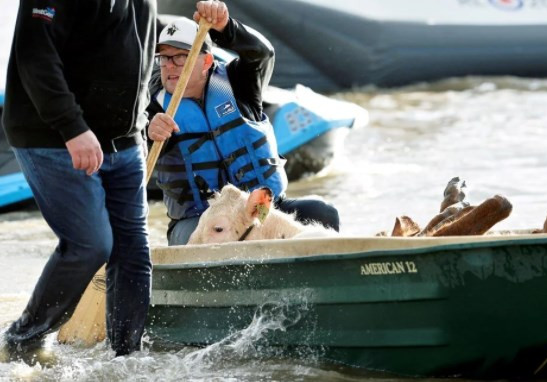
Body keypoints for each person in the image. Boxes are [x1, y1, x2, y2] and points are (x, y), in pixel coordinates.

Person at [1, 0, 157, 356]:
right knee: (90, 245)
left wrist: (139, 128)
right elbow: (34, 54)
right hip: (53, 137)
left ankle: (126, 358)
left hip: (124, 143)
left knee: (133, 250)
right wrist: (72, 127)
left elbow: (139, 60)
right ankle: (23, 339)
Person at [147, 2, 340, 246]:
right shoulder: (153, 107)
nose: (169, 65)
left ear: (206, 62)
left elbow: (262, 53)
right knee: (215, 238)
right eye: (164, 58)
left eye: (179, 57)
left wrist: (227, 28)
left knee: (323, 213)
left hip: (258, 210)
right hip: (196, 220)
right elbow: (135, 154)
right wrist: (148, 132)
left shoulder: (239, 85)